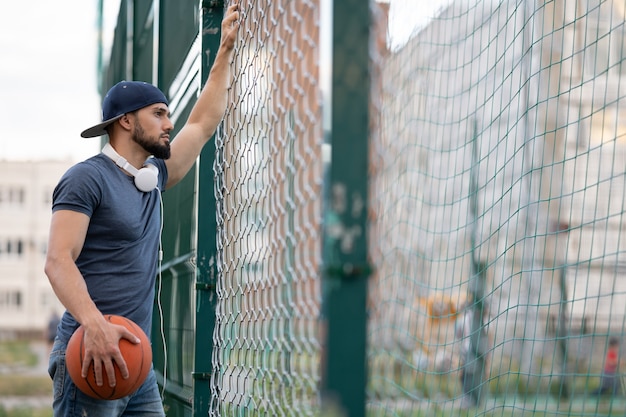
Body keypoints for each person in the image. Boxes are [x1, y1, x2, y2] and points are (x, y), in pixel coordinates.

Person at [44, 4, 240, 416]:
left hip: (137, 361)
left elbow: (202, 123)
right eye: (159, 114)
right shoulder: (86, 179)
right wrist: (95, 327)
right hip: (91, 352)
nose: (169, 123)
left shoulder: (152, 175)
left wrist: (224, 51)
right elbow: (58, 261)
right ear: (127, 122)